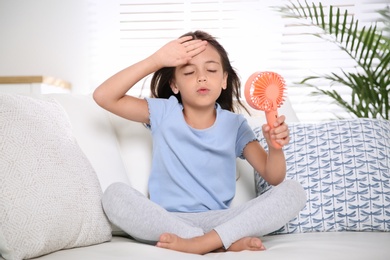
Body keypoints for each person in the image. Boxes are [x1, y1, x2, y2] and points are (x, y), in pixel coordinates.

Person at [93, 30, 306, 254]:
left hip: (221, 220)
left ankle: (204, 242)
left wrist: (275, 148)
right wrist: (156, 60)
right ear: (174, 85)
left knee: (293, 190)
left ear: (224, 80)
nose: (201, 77)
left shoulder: (235, 124)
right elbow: (104, 96)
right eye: (189, 72)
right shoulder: (163, 112)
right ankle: (220, 243)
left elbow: (274, 176)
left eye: (211, 70)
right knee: (114, 194)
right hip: (168, 220)